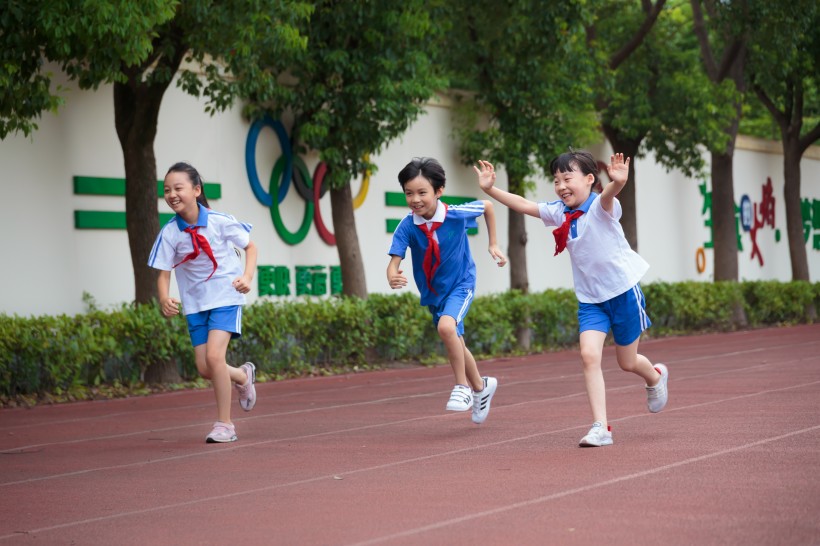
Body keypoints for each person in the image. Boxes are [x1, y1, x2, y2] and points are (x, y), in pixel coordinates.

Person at [474, 150, 668, 446]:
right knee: (589, 355)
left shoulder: (601, 207)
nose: (561, 185)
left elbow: (607, 197)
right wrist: (489, 189)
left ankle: (654, 377)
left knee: (627, 363)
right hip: (591, 300)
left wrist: (617, 183)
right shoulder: (558, 211)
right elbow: (525, 205)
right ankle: (600, 427)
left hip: (623, 292)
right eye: (556, 180)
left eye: (567, 178)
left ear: (589, 180)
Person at [387, 157, 508, 424]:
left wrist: (493, 244)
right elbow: (394, 261)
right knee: (455, 339)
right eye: (409, 193)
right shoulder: (407, 225)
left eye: (422, 192)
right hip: (433, 293)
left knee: (446, 329)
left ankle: (462, 387)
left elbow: (487, 206)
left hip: (461, 284)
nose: (415, 199)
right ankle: (481, 386)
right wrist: (392, 274)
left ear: (438, 191)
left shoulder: (455, 214)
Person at [148, 162, 259, 444]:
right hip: (195, 304)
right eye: (167, 190)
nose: (172, 194)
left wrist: (246, 276)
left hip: (225, 296)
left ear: (196, 190)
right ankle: (243, 377)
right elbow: (164, 273)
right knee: (204, 367)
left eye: (178, 188)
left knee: (214, 358)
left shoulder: (219, 221)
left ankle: (225, 425)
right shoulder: (170, 233)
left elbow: (251, 246)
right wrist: (164, 297)